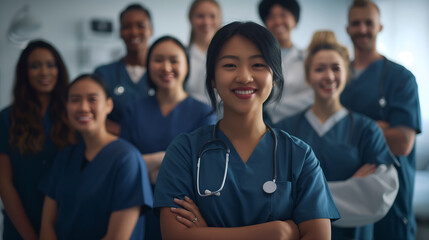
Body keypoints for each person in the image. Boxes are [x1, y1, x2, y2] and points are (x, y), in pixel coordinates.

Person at [153, 21, 340, 240]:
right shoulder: (185, 151)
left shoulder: (299, 156)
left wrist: (204, 234)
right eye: (230, 65)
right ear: (212, 77)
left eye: (258, 65)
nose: (244, 76)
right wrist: (277, 232)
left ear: (274, 76)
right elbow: (175, 236)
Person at [276, 30, 399, 240]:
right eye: (319, 69)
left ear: (346, 73)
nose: (329, 76)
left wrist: (300, 197)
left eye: (336, 68)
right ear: (308, 75)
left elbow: (380, 194)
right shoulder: (284, 130)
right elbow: (272, 194)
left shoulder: (366, 129)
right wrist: (351, 188)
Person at [120, 36, 216, 240]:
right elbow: (124, 166)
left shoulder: (204, 113)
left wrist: (147, 163)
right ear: (148, 65)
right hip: (138, 207)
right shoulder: (133, 110)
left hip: (184, 210)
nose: (166, 67)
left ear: (186, 65)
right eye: (158, 60)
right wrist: (172, 161)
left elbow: (202, 168)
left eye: (174, 60)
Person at [340, 1, 422, 239]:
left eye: (369, 23)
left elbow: (402, 143)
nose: (362, 29)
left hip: (390, 194)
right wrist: (378, 126)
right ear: (347, 29)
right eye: (356, 23)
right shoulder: (336, 77)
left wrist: (350, 128)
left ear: (380, 27)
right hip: (347, 192)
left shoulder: (401, 78)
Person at [39, 74, 153, 239]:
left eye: (92, 99)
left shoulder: (127, 159)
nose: (83, 108)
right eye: (75, 100)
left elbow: (116, 237)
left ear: (108, 105)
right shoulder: (64, 158)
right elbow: (47, 225)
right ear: (67, 107)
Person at [0, 40, 75, 240]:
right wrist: (30, 236)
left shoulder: (73, 115)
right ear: (24, 72)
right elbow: (4, 183)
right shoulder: (7, 119)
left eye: (50, 65)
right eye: (35, 66)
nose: (44, 72)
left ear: (59, 70)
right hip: (20, 225)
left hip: (66, 223)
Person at [94, 3, 153, 135]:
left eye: (140, 26)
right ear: (120, 32)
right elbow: (96, 116)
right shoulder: (103, 73)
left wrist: (125, 132)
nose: (134, 32)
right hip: (116, 148)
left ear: (151, 30)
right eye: (127, 27)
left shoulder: (162, 74)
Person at [258, 0, 313, 124]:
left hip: (300, 124)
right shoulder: (257, 57)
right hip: (261, 124)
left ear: (294, 20)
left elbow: (313, 96)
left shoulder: (308, 58)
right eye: (271, 17)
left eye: (283, 15)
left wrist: (269, 108)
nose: (277, 21)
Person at [185, 0, 222, 105]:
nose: (206, 22)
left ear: (219, 19)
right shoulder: (182, 55)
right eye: (200, 16)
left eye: (212, 16)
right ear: (190, 18)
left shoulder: (230, 54)